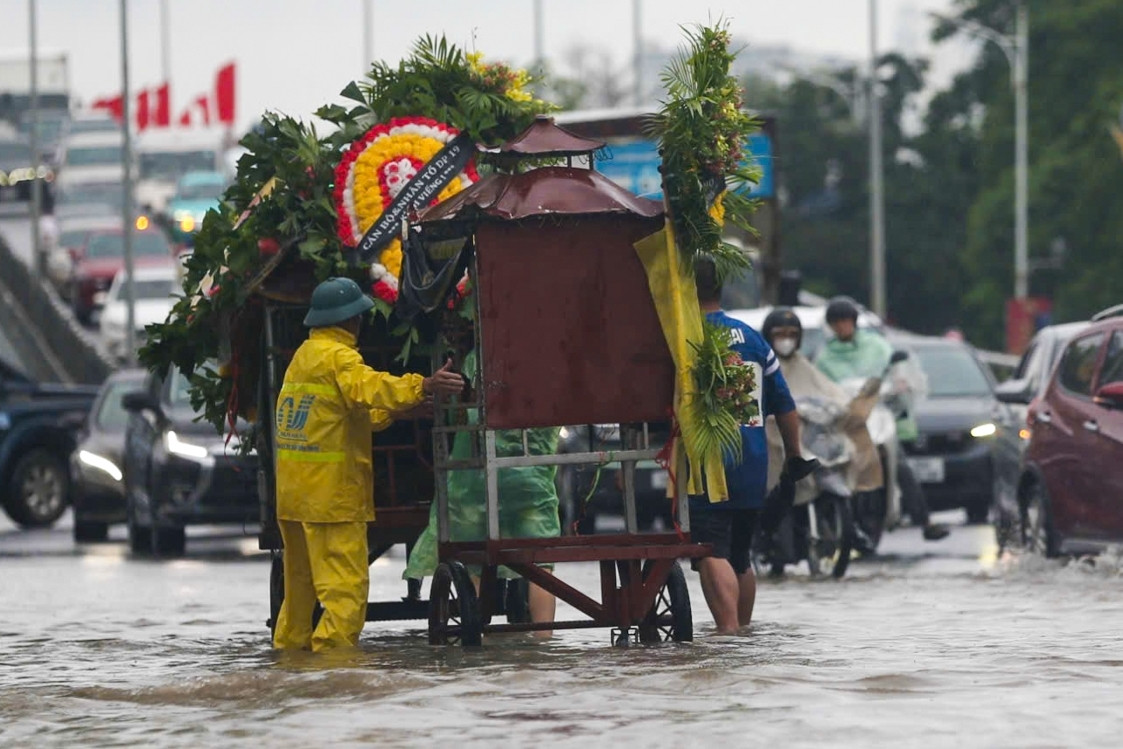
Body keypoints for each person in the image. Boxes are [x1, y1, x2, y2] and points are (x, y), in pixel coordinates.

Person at [272, 276, 465, 652]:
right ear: (349, 320)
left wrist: (402, 410)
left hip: (295, 498)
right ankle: (335, 672)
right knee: (345, 592)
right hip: (331, 500)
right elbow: (369, 387)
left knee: (300, 595)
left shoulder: (304, 358)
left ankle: (290, 667)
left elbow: (344, 413)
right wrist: (422, 385)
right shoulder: (339, 358)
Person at [693, 258, 815, 634]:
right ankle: (742, 632)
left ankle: (728, 632)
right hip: (753, 462)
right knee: (741, 555)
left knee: (710, 551)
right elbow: (785, 406)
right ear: (721, 288)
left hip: (709, 462)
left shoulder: (687, 337)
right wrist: (795, 456)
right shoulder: (753, 339)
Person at [404, 352, 561, 638]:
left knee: (472, 561)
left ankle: (474, 633)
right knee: (542, 565)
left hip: (475, 483)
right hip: (530, 480)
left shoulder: (479, 356)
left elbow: (457, 414)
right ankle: (545, 641)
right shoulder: (548, 358)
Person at [815, 296, 949, 542]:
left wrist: (900, 384)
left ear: (854, 322)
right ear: (831, 326)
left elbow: (896, 371)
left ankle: (925, 520)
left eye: (845, 321)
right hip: (845, 421)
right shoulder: (824, 357)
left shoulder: (876, 346)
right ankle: (830, 522)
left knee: (900, 463)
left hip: (876, 415)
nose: (842, 326)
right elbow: (820, 388)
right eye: (837, 322)